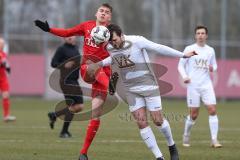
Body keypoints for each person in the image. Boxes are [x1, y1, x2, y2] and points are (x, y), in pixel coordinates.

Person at [88, 24, 197, 160]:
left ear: (121, 35)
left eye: (115, 40)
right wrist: (99, 64)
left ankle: (171, 145)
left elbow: (159, 48)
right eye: (110, 42)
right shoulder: (110, 46)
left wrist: (183, 55)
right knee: (141, 122)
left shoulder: (137, 41)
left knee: (158, 121)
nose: (112, 44)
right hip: (130, 89)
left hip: (148, 85)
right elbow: (114, 58)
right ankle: (159, 157)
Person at [35, 3, 113, 160]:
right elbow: (67, 32)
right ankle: (110, 85)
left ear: (109, 17)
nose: (103, 13)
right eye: (101, 11)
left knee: (96, 116)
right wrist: (49, 29)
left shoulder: (112, 32)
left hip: (104, 74)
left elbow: (123, 47)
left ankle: (83, 153)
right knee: (92, 66)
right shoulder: (87, 26)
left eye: (107, 12)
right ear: (96, 13)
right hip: (88, 69)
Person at [178, 25, 222, 148]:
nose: (200, 35)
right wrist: (185, 76)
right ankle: (186, 134)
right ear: (195, 35)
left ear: (206, 36)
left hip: (207, 85)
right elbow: (180, 65)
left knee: (212, 110)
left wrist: (213, 68)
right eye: (198, 33)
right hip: (193, 86)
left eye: (203, 33)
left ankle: (214, 140)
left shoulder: (210, 50)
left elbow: (214, 65)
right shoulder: (190, 49)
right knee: (193, 115)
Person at [48, 36, 84, 138]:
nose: (69, 38)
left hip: (74, 80)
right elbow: (53, 63)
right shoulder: (61, 49)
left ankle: (56, 117)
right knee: (76, 105)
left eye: (71, 36)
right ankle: (63, 130)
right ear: (64, 38)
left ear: (75, 37)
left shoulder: (76, 48)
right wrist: (64, 64)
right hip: (66, 81)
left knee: (76, 107)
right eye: (67, 36)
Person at [0, 37, 16, 122]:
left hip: (3, 78)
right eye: (0, 44)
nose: (2, 45)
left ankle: (6, 116)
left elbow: (6, 64)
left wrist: (8, 68)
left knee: (6, 95)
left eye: (3, 44)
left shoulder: (3, 54)